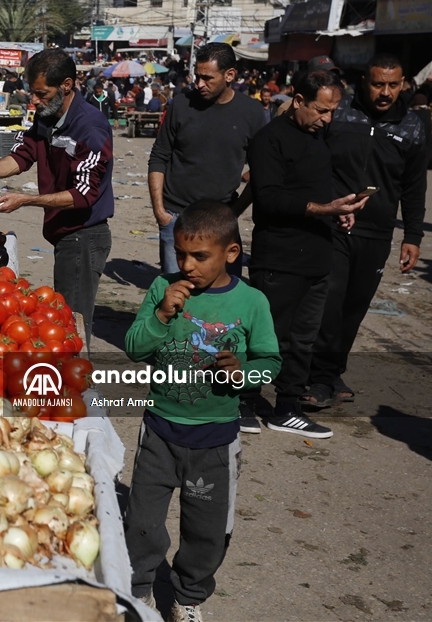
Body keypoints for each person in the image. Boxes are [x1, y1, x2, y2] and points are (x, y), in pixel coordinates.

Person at [124, 201, 280, 622]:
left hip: (214, 440)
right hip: (159, 430)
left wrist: (242, 374)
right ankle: (138, 591)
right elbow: (135, 347)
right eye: (181, 254)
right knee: (142, 521)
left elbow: (270, 361)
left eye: (200, 256)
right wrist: (160, 314)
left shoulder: (252, 302)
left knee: (206, 530)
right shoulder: (162, 288)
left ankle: (189, 597)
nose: (187, 265)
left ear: (231, 252)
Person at [247, 71, 368, 439]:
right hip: (279, 259)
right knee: (265, 339)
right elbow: (268, 198)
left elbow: (319, 184)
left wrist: (341, 208)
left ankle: (287, 407)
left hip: (317, 257)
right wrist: (323, 208)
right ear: (298, 100)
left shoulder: (319, 137)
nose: (326, 119)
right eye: (320, 110)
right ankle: (239, 402)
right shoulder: (269, 140)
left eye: (332, 111)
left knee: (302, 341)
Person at [304, 53, 429, 408]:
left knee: (354, 308)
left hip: (377, 233)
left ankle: (332, 371)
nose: (386, 92)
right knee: (330, 300)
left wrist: (413, 237)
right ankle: (319, 378)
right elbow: (315, 160)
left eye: (393, 84)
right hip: (334, 224)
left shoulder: (413, 126)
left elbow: (414, 186)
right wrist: (327, 203)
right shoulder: (340, 113)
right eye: (378, 84)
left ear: (403, 83)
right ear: (364, 82)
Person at [0, 49, 114, 345]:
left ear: (66, 85)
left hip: (84, 236)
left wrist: (25, 200)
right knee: (61, 318)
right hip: (63, 235)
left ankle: (79, 387)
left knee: (70, 325)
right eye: (32, 93)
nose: (34, 101)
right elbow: (23, 156)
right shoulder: (47, 117)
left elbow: (84, 195)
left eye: (41, 93)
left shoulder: (90, 127)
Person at [147, 43, 266, 276]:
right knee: (178, 292)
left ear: (229, 75)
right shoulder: (181, 105)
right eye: (197, 77)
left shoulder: (251, 113)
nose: (199, 84)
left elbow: (261, 171)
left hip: (221, 220)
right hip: (176, 218)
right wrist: (160, 211)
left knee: (225, 295)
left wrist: (234, 212)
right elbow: (159, 156)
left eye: (207, 78)